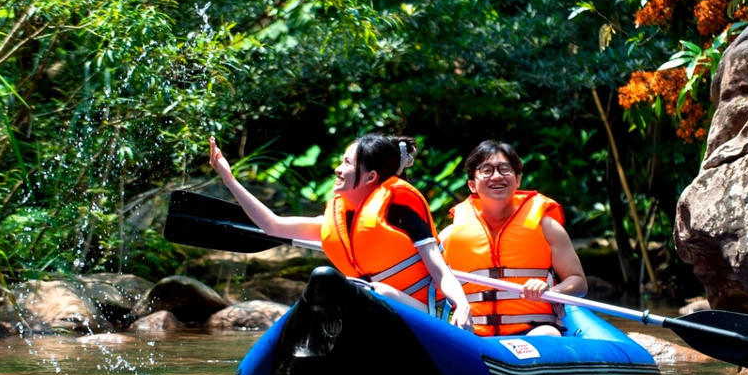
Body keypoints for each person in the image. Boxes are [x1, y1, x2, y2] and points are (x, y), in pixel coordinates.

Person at [208, 134, 473, 330]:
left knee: (375, 292)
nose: (337, 169)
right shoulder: (339, 222)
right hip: (376, 310)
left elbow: (440, 270)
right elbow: (272, 225)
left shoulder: (401, 213)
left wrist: (461, 304)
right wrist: (228, 178)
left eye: (346, 162)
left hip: (430, 315)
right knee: (349, 293)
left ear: (370, 177)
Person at [438, 140, 587, 336]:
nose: (497, 176)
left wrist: (550, 292)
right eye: (487, 170)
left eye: (504, 169)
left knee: (546, 335)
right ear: (472, 185)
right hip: (472, 334)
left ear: (517, 180)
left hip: (535, 330)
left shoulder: (547, 228)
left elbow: (579, 283)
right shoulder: (450, 236)